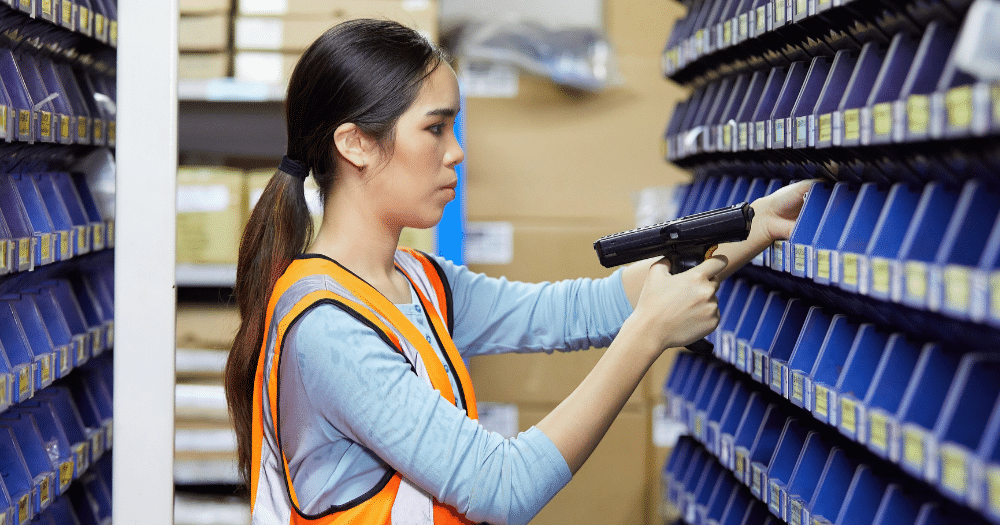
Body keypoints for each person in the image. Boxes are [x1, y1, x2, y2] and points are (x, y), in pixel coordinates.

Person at [223, 18, 811, 525]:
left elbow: (581, 310)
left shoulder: (419, 283)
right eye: (435, 128)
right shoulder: (328, 332)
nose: (455, 151)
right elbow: (502, 488)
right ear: (355, 144)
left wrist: (755, 225)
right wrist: (649, 337)